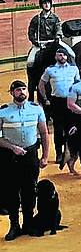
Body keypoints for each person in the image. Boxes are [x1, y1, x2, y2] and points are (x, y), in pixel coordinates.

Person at [0, 80, 49, 240]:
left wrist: (45, 156)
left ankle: (28, 223)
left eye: (23, 89)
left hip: (30, 154)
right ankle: (14, 225)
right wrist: (12, 147)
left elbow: (44, 133)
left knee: (30, 189)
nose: (21, 92)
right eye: (18, 90)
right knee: (11, 190)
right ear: (12, 93)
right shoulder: (3, 112)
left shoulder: (36, 109)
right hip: (10, 156)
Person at [37, 48, 78, 172]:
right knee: (58, 128)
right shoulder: (50, 70)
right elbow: (41, 84)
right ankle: (59, 154)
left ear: (66, 56)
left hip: (70, 101)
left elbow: (78, 84)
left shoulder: (74, 69)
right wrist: (45, 98)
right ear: (55, 57)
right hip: (57, 101)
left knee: (71, 128)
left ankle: (70, 152)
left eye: (62, 55)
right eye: (58, 55)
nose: (60, 57)